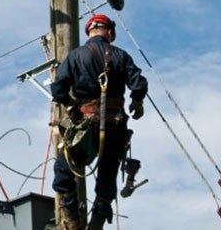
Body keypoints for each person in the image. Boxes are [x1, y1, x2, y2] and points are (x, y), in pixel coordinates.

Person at [51, 14, 148, 230]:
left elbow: (58, 89)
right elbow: (139, 83)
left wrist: (69, 105)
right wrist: (137, 103)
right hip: (114, 126)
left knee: (63, 171)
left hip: (86, 125)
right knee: (107, 177)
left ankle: (71, 222)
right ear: (110, 33)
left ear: (89, 32)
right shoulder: (121, 56)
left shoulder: (76, 56)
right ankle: (96, 224)